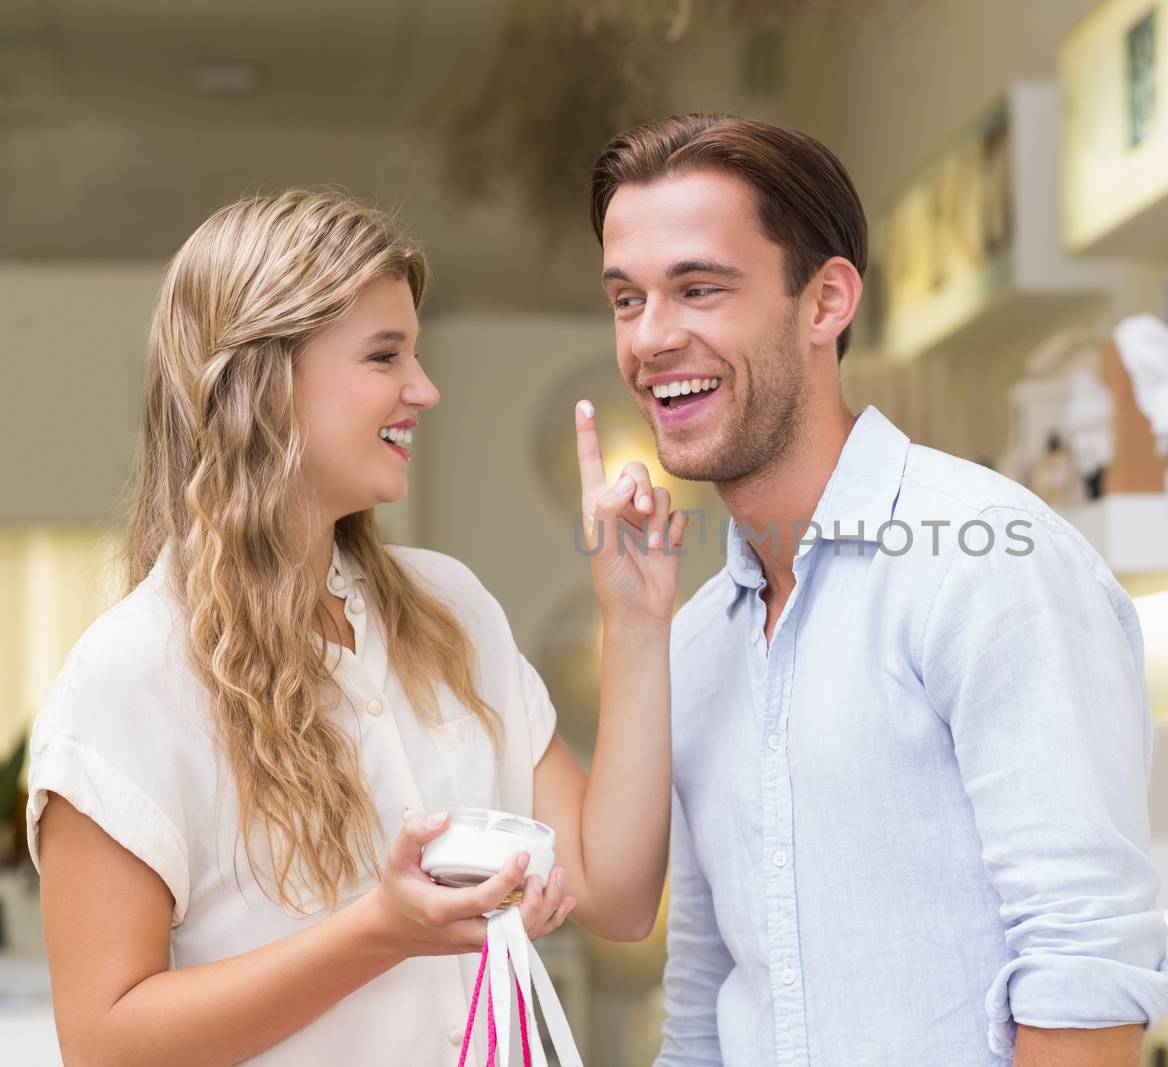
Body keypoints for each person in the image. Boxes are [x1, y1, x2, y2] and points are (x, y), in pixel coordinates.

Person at [27, 189, 685, 1065]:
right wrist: (380, 932)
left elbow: (616, 892)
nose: (425, 388)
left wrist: (635, 622)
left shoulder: (452, 610)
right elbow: (103, 1042)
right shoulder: (129, 675)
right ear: (259, 384)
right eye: (385, 356)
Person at [587, 115, 1168, 1067]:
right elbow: (705, 1001)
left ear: (825, 301)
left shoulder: (990, 562)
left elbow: (1088, 969)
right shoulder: (697, 638)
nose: (653, 338)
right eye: (628, 300)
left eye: (698, 288)